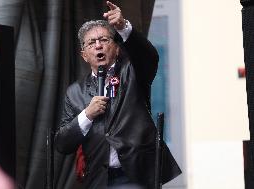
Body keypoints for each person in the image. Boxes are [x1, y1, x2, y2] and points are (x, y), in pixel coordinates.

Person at [55, 1, 181, 188]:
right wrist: (87, 115)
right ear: (84, 55)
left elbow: (149, 57)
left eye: (104, 40)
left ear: (116, 48)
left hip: (135, 174)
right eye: (91, 43)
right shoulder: (75, 92)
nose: (98, 46)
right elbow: (62, 144)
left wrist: (123, 27)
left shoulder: (133, 71)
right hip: (98, 178)